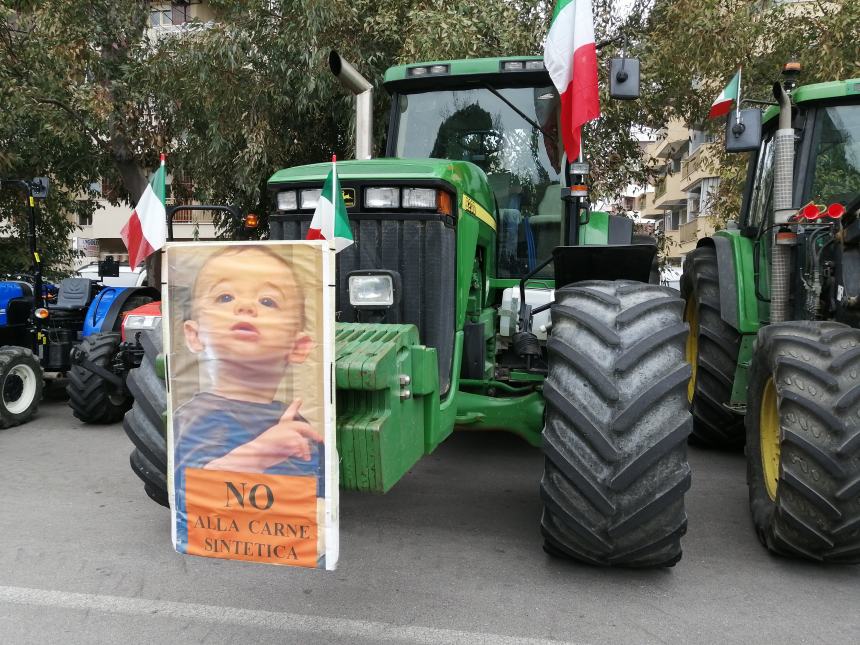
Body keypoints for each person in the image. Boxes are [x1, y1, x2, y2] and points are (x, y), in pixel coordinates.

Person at [171, 245, 324, 552]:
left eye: (268, 301)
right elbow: (193, 498)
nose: (246, 307)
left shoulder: (295, 422)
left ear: (298, 346)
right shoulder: (196, 417)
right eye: (224, 297)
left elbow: (310, 494)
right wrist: (264, 450)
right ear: (195, 335)